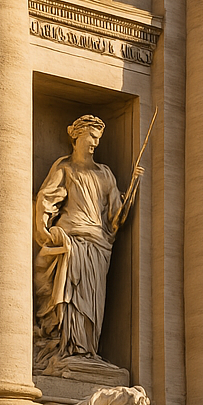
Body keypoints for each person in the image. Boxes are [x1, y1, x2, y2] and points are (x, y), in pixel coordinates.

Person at [32, 114, 141, 371]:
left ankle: (87, 350)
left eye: (98, 139)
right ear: (76, 136)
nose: (95, 143)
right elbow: (47, 198)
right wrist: (43, 230)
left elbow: (116, 215)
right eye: (91, 137)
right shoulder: (65, 168)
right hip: (73, 240)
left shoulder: (105, 173)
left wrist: (131, 191)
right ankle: (68, 347)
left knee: (91, 301)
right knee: (70, 297)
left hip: (99, 245)